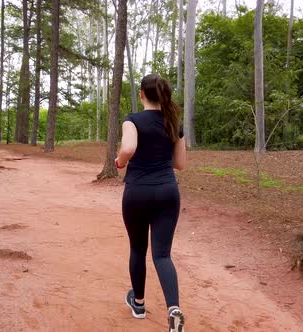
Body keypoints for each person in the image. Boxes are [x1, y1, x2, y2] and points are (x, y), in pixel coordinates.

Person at [115, 74, 187, 332]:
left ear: (141, 94)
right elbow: (180, 164)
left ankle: (139, 304)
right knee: (162, 254)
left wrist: (120, 162)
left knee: (138, 250)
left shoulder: (132, 120)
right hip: (168, 192)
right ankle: (174, 310)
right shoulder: (173, 123)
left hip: (137, 192)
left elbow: (128, 147)